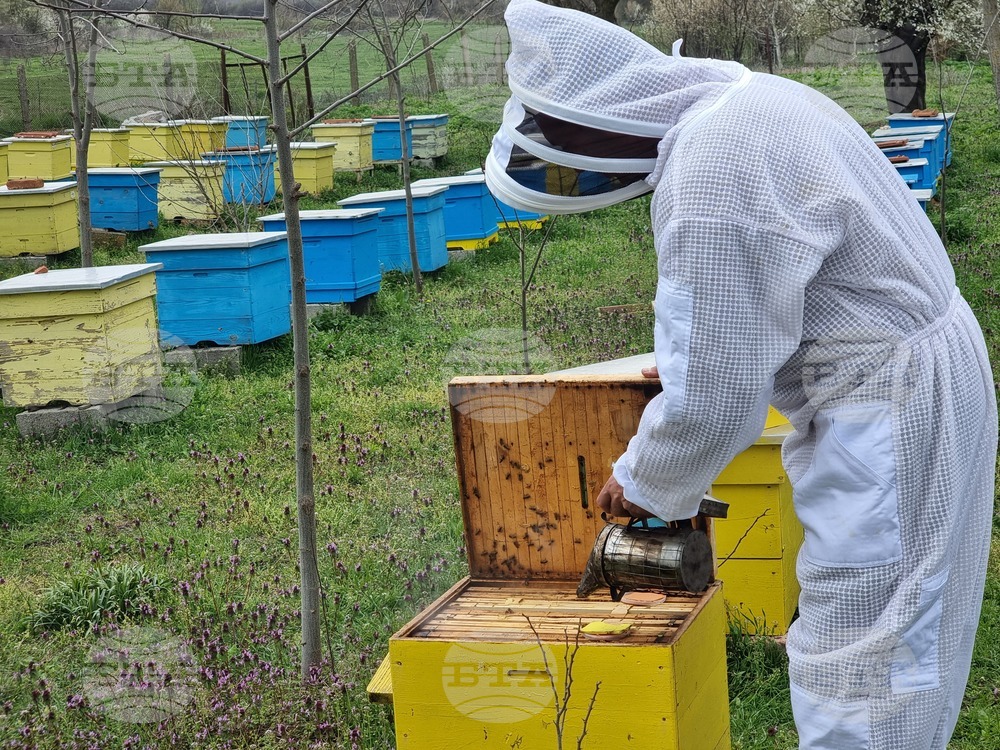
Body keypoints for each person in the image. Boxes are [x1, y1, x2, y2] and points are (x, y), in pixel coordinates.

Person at [483, 1, 997, 748]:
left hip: (887, 402)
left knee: (870, 651)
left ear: (590, 120)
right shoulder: (741, 101)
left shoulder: (712, 170)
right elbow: (776, 296)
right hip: (912, 372)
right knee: (907, 618)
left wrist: (643, 480)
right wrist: (723, 362)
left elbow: (714, 400)